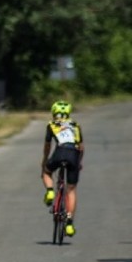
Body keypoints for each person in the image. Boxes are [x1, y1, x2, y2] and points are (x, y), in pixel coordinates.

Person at [42, 100, 84, 237]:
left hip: (59, 152)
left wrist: (44, 160)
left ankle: (49, 191)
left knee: (46, 172)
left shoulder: (51, 124)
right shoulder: (75, 125)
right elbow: (81, 147)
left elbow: (47, 146)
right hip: (73, 154)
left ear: (54, 113)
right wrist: (79, 162)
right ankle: (70, 223)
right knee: (71, 190)